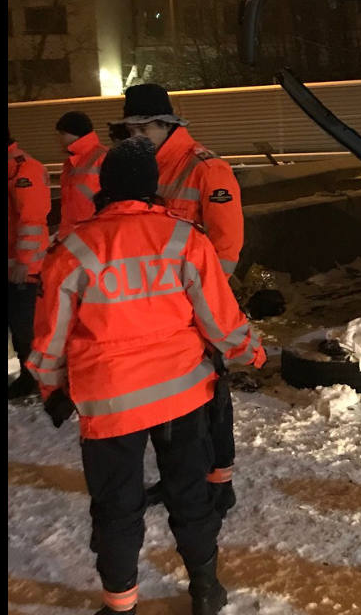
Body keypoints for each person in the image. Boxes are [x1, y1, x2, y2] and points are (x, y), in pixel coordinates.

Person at [25, 137, 265, 615]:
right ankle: (205, 590)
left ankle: (121, 604)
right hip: (182, 395)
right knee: (190, 493)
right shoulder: (183, 238)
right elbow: (218, 320)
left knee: (116, 506)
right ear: (153, 185)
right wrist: (249, 353)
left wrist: (51, 387)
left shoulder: (73, 248)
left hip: (110, 405)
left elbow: (50, 337)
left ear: (105, 186)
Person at [110, 84, 245, 517]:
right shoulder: (149, 166)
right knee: (175, 402)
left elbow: (226, 249)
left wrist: (205, 308)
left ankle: (220, 482)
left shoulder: (206, 169)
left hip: (198, 308)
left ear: (166, 124)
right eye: (129, 130)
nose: (134, 137)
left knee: (212, 397)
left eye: (142, 129)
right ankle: (180, 479)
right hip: (161, 311)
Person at [8, 128, 51, 399]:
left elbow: (31, 220)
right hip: (15, 266)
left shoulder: (25, 170)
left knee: (25, 328)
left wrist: (24, 263)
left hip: (23, 270)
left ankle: (34, 378)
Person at [55, 111, 108, 241]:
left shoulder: (102, 156)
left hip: (94, 233)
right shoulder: (71, 162)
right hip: (74, 234)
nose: (59, 139)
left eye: (62, 134)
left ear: (74, 133)